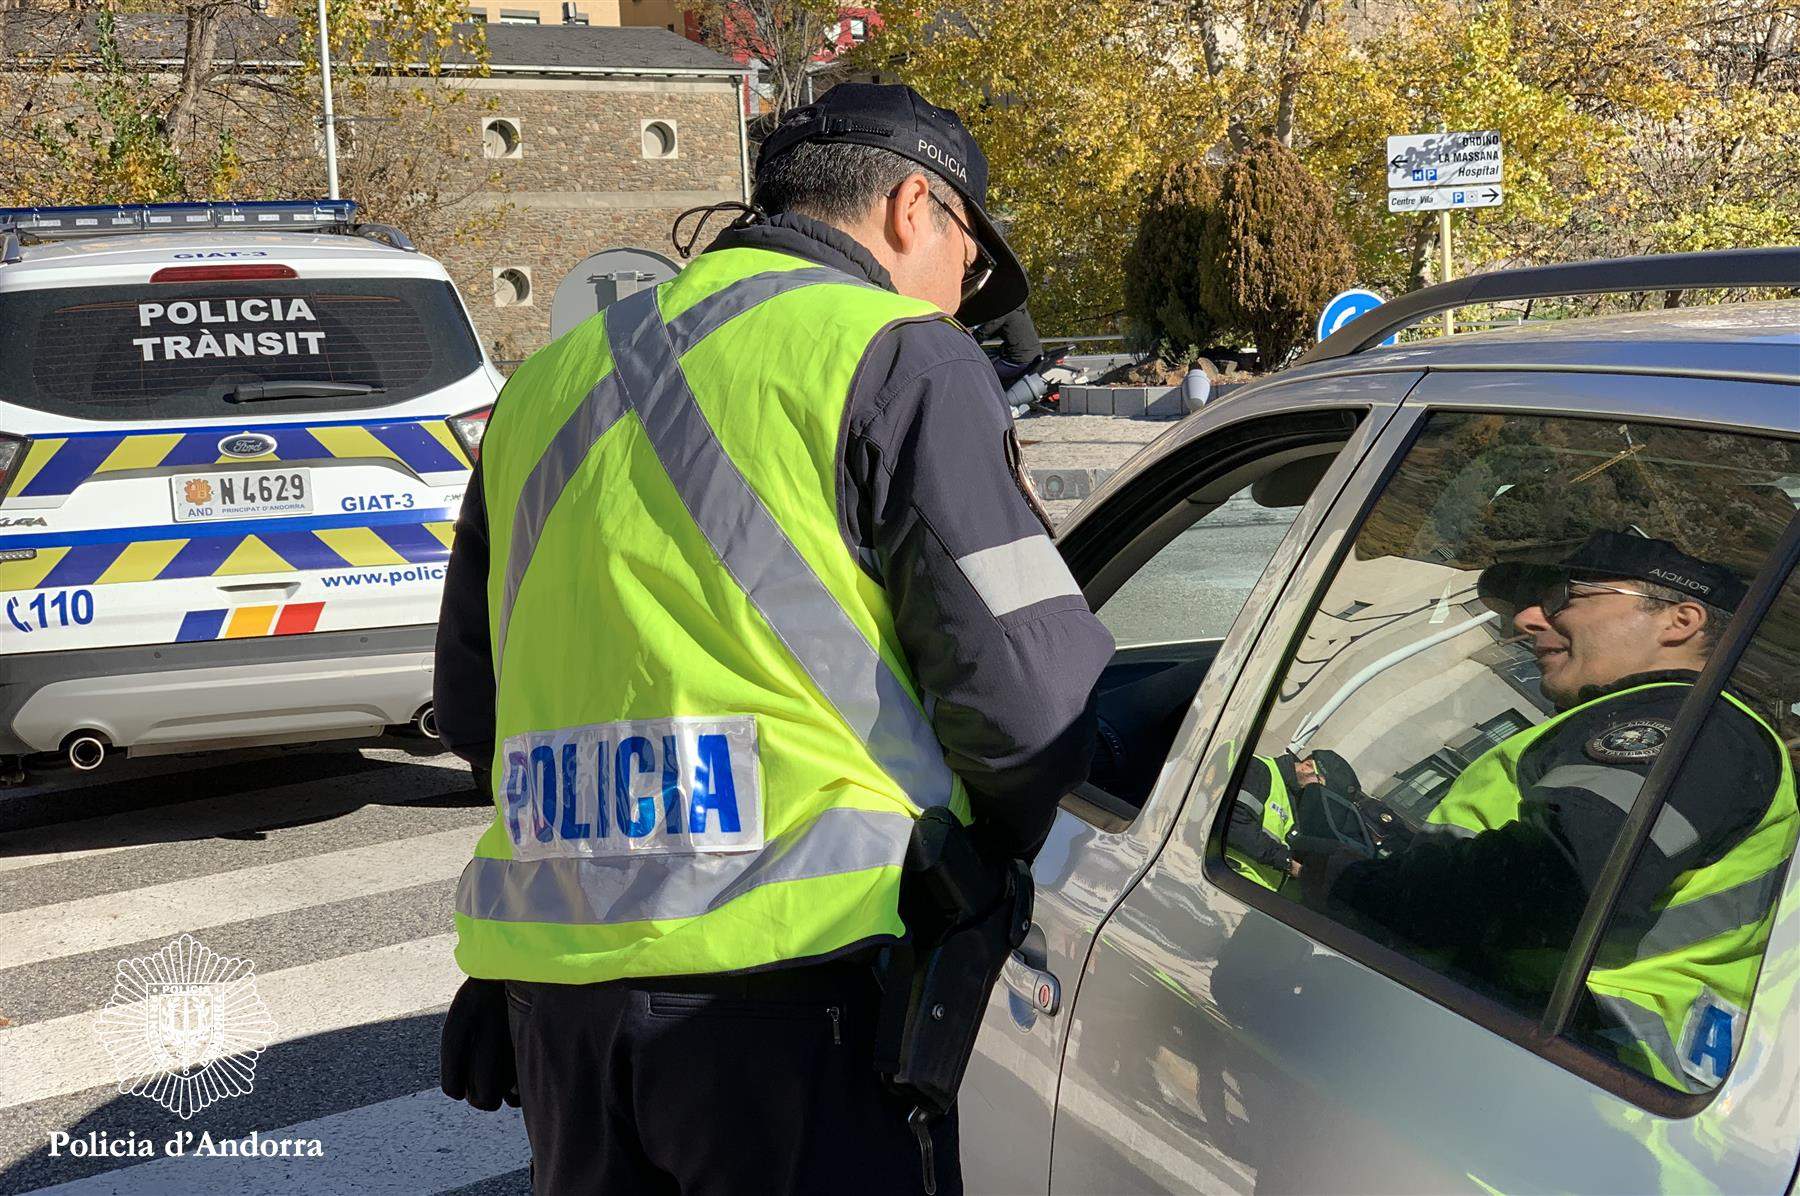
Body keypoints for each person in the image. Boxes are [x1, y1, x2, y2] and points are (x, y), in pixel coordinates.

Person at [432, 82, 1115, 1195]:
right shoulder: (899, 357)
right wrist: (991, 879)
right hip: (805, 1006)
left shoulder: (546, 386)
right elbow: (1030, 706)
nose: (964, 296)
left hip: (559, 1019)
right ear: (912, 209)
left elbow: (477, 711)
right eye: (975, 265)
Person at [1302, 530, 1796, 1093]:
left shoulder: (1692, 730)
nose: (1530, 619)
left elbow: (1559, 878)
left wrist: (1355, 888)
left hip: (1590, 1081)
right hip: (1544, 1065)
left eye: (1569, 596)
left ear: (1678, 621)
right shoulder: (1660, 728)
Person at [1224, 750, 1362, 891]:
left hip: (1248, 890)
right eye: (1320, 785)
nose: (1320, 797)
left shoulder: (1292, 798)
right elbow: (1233, 824)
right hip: (1228, 879)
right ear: (1307, 766)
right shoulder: (1261, 770)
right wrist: (1288, 863)